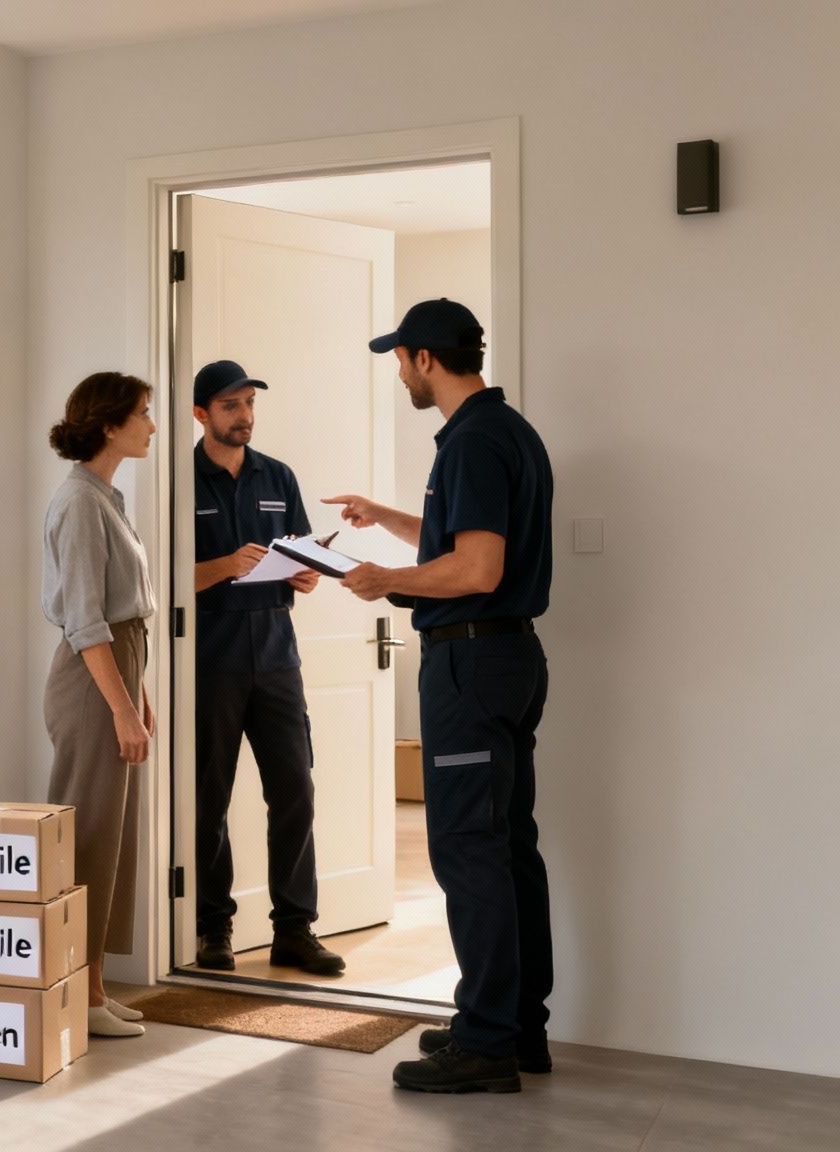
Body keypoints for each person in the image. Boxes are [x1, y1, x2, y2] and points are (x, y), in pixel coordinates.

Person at [327, 298, 554, 1095]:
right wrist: (384, 519)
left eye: (401, 360)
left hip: (469, 665)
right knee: (506, 844)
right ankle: (516, 1026)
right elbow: (463, 546)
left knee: (468, 848)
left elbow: (477, 570)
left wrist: (387, 581)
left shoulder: (471, 442)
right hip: (508, 659)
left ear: (426, 358)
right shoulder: (504, 431)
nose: (399, 374)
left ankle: (487, 1042)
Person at [189, 360, 345, 978]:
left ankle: (294, 930)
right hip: (209, 658)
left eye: (250, 403)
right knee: (208, 798)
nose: (245, 416)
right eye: (231, 405)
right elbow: (161, 580)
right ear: (202, 413)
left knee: (295, 792)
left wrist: (306, 573)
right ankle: (212, 928)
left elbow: (301, 553)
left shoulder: (278, 476)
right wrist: (224, 565)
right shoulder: (180, 481)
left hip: (278, 658)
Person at [42, 370, 157, 1039]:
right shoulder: (81, 502)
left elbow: (122, 614)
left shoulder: (105, 496)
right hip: (89, 685)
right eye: (142, 413)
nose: (150, 424)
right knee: (87, 838)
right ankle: (79, 998)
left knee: (110, 837)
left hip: (116, 671)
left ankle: (94, 990)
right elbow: (87, 621)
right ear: (111, 424)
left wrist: (137, 695)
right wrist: (119, 708)